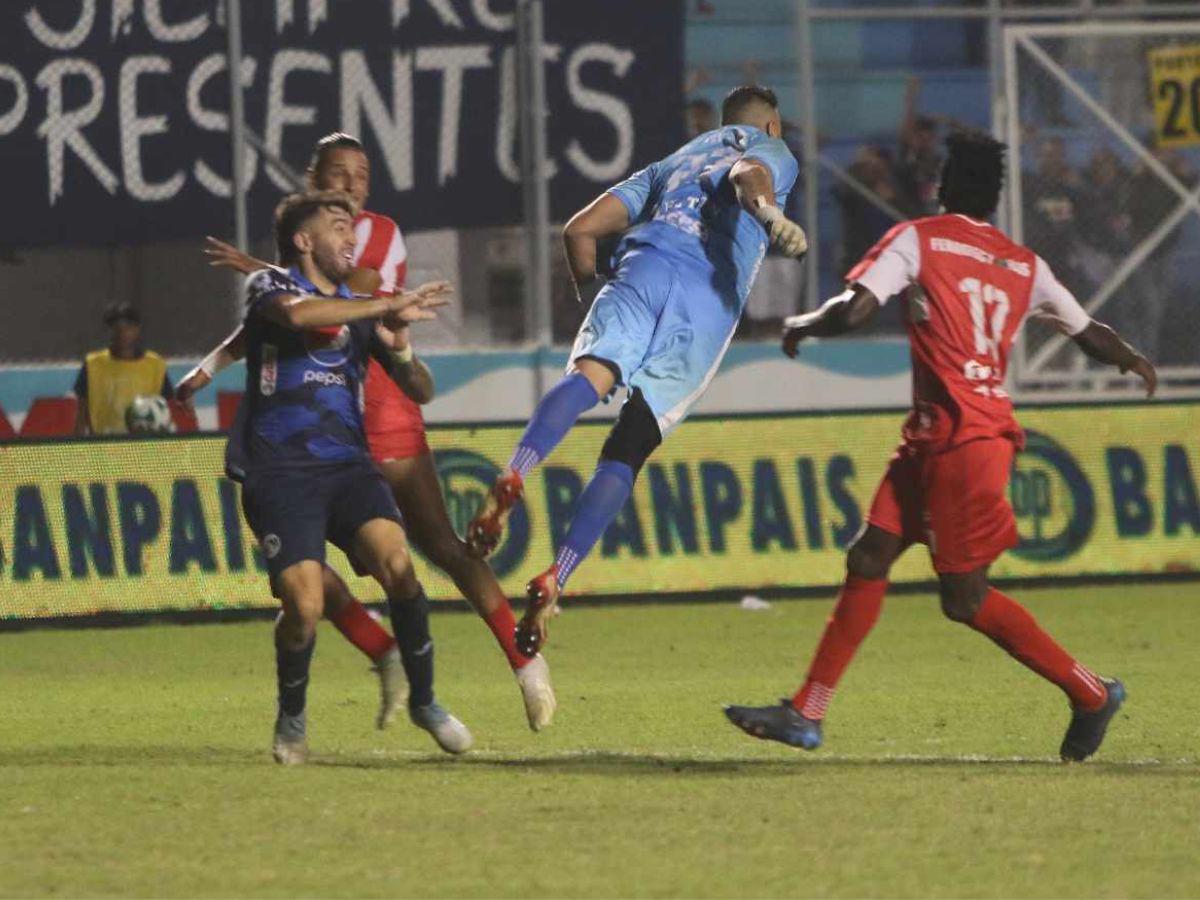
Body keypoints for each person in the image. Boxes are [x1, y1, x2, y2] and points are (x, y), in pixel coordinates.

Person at [724, 131, 1156, 762]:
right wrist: (1135, 361)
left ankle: (1091, 693)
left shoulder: (918, 238)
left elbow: (854, 310)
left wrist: (804, 323)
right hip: (939, 438)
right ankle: (805, 712)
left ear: (946, 185)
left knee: (965, 599)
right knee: (870, 556)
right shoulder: (1021, 264)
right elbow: (1087, 331)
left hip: (965, 442)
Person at [179, 133, 555, 733]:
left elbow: (349, 287)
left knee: (436, 546)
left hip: (377, 399)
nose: (351, 185)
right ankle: (381, 651)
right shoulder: (307, 248)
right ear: (313, 182)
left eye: (361, 174)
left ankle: (524, 664)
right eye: (338, 174)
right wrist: (208, 366)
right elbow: (288, 305)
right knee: (306, 573)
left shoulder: (371, 232)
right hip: (312, 414)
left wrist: (265, 272)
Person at [465, 85, 806, 655]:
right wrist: (770, 215)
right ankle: (557, 576)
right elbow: (748, 173)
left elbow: (579, 230)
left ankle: (516, 472)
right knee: (629, 444)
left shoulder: (673, 162)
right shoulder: (771, 150)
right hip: (702, 304)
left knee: (587, 378)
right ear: (772, 126)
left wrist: (601, 298)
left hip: (640, 269)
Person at [233, 189, 470, 765]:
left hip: (347, 468)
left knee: (399, 566)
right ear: (304, 240)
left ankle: (427, 701)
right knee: (305, 606)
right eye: (339, 227)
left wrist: (402, 344)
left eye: (353, 228)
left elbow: (421, 391)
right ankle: (291, 719)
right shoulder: (270, 288)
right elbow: (300, 316)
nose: (351, 239)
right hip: (280, 473)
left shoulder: (359, 309)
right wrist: (379, 308)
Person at [74, 302, 173, 435]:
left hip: (144, 448)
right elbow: (81, 415)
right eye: (116, 327)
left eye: (128, 327)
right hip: (102, 448)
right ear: (109, 330)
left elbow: (166, 411)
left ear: (137, 329)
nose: (122, 332)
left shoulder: (155, 365)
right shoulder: (93, 364)